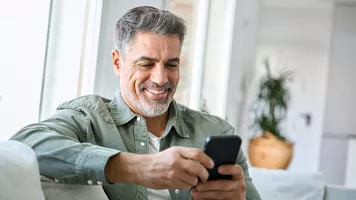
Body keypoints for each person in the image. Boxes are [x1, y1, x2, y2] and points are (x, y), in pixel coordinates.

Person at [11, 6, 261, 200]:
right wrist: (138, 168)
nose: (161, 78)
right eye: (146, 64)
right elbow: (24, 145)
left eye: (171, 64)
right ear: (118, 62)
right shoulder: (88, 118)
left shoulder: (216, 132)